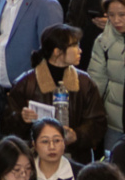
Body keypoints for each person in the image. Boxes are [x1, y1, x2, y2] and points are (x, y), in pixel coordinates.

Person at [6, 24, 106, 160]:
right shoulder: (26, 83)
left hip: (75, 157)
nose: (80, 50)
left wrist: (77, 135)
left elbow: (98, 122)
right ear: (57, 51)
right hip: (36, 158)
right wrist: (21, 119)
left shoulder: (84, 82)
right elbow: (7, 125)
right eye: (75, 46)